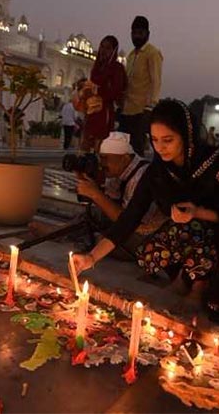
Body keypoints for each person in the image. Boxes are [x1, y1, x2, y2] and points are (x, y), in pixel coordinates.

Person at [73, 99, 219, 313]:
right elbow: (130, 217)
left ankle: (198, 287)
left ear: (186, 135)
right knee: (163, 243)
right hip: (185, 241)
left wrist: (198, 212)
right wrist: (91, 257)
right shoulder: (158, 172)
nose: (160, 148)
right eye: (155, 140)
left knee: (196, 234)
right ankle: (183, 279)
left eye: (168, 140)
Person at [76, 132, 164, 260]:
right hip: (127, 225)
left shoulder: (142, 176)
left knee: (97, 242)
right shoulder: (116, 173)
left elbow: (129, 221)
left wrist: (96, 194)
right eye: (101, 158)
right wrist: (87, 184)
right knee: (91, 215)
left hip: (145, 234)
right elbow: (110, 204)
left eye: (106, 159)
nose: (102, 164)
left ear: (125, 158)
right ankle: (55, 231)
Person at [120, 16, 163, 155]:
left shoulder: (152, 53)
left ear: (147, 34)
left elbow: (156, 81)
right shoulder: (131, 55)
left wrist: (150, 107)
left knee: (137, 150)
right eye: (134, 33)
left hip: (141, 111)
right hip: (126, 110)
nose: (137, 36)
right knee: (124, 149)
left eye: (140, 33)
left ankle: (139, 176)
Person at [80, 35, 127, 152]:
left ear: (114, 51)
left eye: (108, 48)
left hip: (104, 111)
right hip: (91, 112)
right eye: (102, 47)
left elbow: (116, 92)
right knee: (86, 146)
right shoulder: (97, 68)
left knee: (100, 147)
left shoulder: (116, 68)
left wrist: (97, 91)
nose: (103, 51)